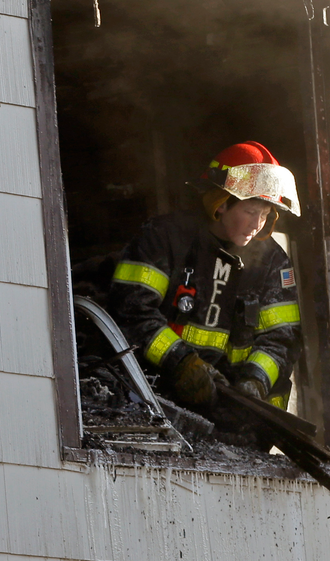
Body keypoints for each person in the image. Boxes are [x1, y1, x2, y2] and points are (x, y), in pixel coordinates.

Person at [107, 141, 303, 428]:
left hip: (235, 418)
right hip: (157, 402)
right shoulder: (164, 239)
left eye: (265, 214)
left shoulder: (272, 261)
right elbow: (130, 312)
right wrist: (181, 363)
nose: (257, 224)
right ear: (220, 203)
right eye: (251, 211)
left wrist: (255, 381)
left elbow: (282, 339)